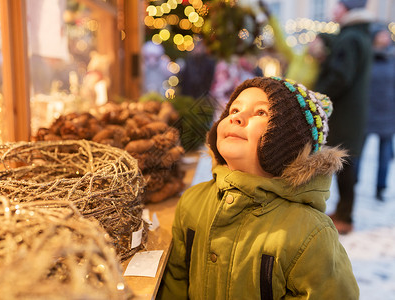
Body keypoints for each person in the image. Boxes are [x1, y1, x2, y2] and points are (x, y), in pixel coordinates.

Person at [157, 76, 359, 299]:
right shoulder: (193, 202)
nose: (237, 118)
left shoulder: (311, 233)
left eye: (261, 112)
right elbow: (175, 280)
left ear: (288, 141)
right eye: (233, 110)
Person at [314, 0, 373, 234]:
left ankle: (346, 218)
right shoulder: (358, 36)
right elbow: (341, 50)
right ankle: (342, 211)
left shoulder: (350, 39)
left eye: (337, 6)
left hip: (344, 114)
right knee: (346, 165)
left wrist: (316, 95)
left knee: (345, 166)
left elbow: (340, 75)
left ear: (348, 9)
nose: (333, 11)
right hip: (352, 113)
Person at [365, 24, 395, 200]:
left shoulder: (393, 58)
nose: (385, 37)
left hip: (388, 112)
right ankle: (353, 182)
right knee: (358, 153)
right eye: (381, 34)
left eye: (386, 34)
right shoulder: (367, 57)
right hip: (367, 111)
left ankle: (380, 187)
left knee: (385, 154)